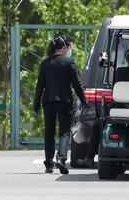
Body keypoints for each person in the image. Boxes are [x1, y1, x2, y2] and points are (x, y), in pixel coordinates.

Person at [34, 36, 87, 174]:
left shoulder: (45, 63)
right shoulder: (69, 62)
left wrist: (36, 103)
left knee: (49, 133)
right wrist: (84, 100)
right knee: (65, 132)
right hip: (65, 101)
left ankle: (49, 164)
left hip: (49, 101)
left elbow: (40, 86)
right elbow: (77, 84)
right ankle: (61, 159)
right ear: (64, 48)